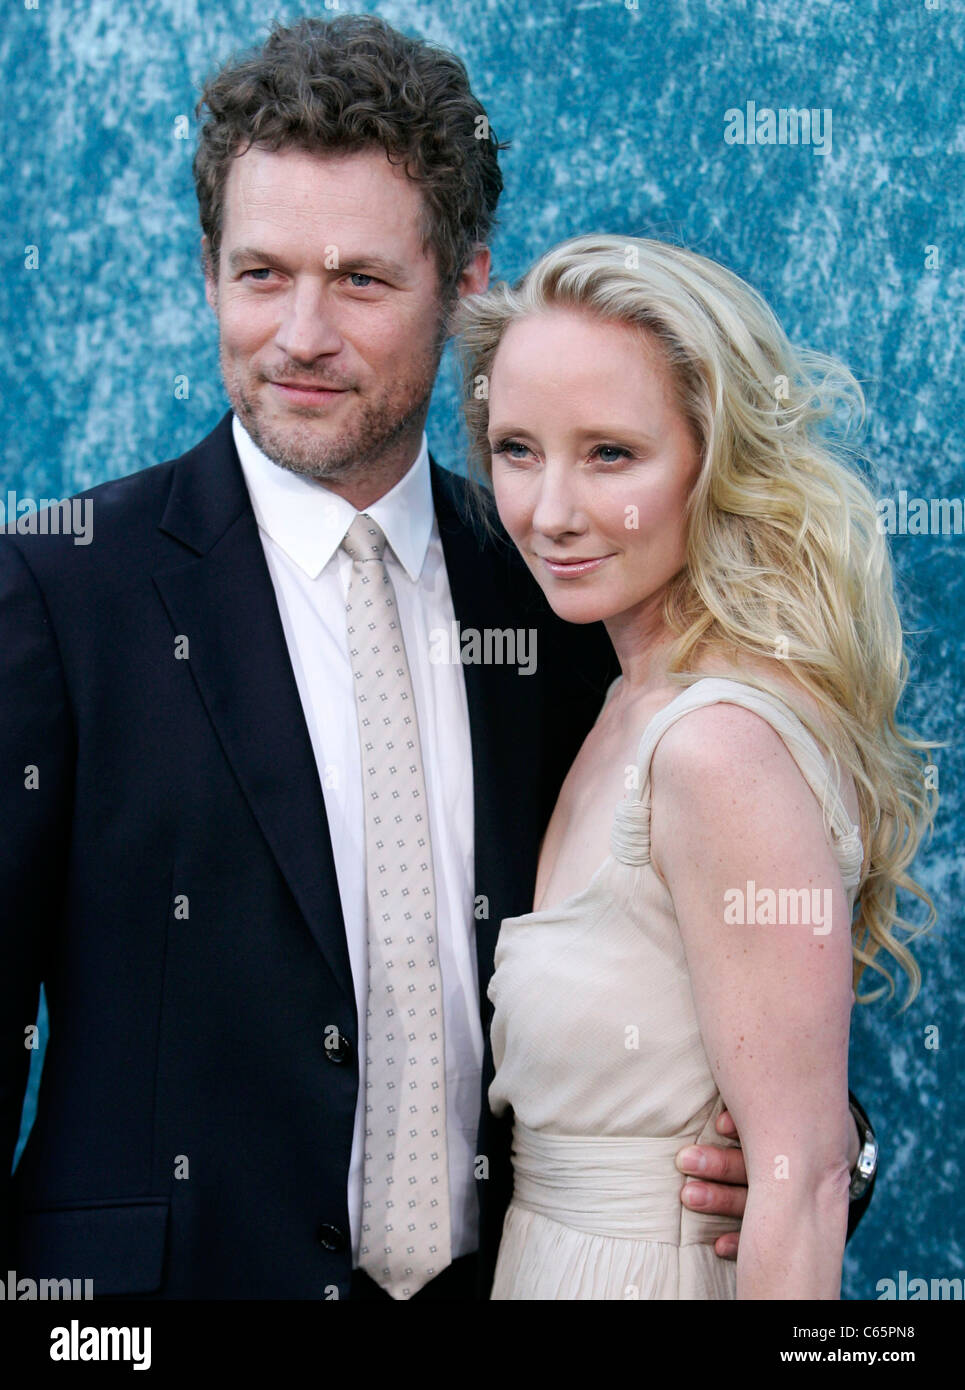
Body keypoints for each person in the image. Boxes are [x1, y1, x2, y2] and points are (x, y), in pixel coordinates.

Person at [1, 17, 876, 1303]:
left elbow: (714, 1003)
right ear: (207, 276)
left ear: (464, 284)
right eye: (259, 274)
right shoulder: (56, 585)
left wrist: (825, 1153)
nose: (300, 333)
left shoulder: (563, 595)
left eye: (359, 280)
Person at [453, 233, 934, 1299]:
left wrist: (820, 1159)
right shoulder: (618, 700)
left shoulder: (713, 746)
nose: (550, 511)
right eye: (517, 447)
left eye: (611, 454)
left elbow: (801, 1183)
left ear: (714, 459)